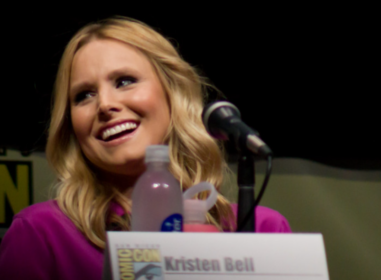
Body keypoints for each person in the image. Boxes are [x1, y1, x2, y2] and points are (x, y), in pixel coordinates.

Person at [0, 16, 291, 279]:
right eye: (84, 95)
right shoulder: (41, 234)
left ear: (172, 94)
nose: (104, 105)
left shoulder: (264, 230)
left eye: (124, 81)